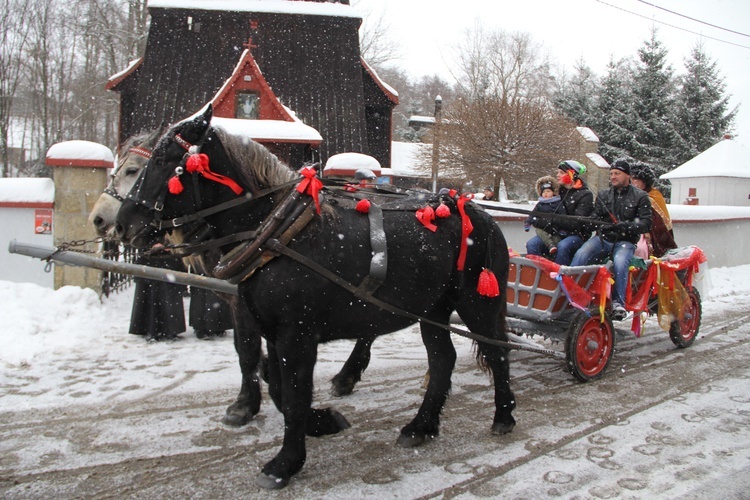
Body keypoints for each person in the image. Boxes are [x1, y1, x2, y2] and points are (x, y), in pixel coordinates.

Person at [570, 160, 652, 321]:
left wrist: (626, 227)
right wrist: (594, 223)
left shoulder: (640, 196)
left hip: (625, 242)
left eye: (617, 173)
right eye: (611, 174)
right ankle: (570, 293)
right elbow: (595, 217)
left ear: (627, 175)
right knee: (582, 254)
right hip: (603, 239)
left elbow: (646, 223)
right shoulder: (603, 195)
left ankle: (617, 303)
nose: (613, 177)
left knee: (621, 262)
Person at [525, 160, 594, 265]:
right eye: (557, 172)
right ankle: (539, 274)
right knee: (532, 244)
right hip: (553, 232)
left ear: (572, 174)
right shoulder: (556, 191)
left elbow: (577, 223)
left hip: (575, 235)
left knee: (563, 246)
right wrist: (542, 222)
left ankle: (558, 276)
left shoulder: (585, 195)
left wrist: (553, 220)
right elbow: (539, 212)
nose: (557, 175)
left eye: (561, 173)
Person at [129, 246, 187, 342]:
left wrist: (170, 244)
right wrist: (152, 244)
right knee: (151, 296)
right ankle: (151, 329)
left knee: (170, 297)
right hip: (149, 256)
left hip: (169, 256)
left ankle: (171, 330)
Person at [630, 162, 677, 257]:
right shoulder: (628, 195)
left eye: (635, 179)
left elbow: (659, 224)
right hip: (631, 233)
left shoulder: (654, 196)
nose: (631, 182)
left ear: (644, 181)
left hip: (652, 238)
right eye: (630, 179)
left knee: (640, 250)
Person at [524, 176, 562, 254]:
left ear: (553, 192)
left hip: (555, 229)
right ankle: (550, 245)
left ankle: (552, 250)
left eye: (548, 191)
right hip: (543, 228)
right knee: (539, 232)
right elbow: (532, 214)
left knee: (557, 241)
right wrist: (528, 222)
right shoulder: (540, 204)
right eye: (544, 192)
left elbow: (562, 215)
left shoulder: (557, 203)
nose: (546, 194)